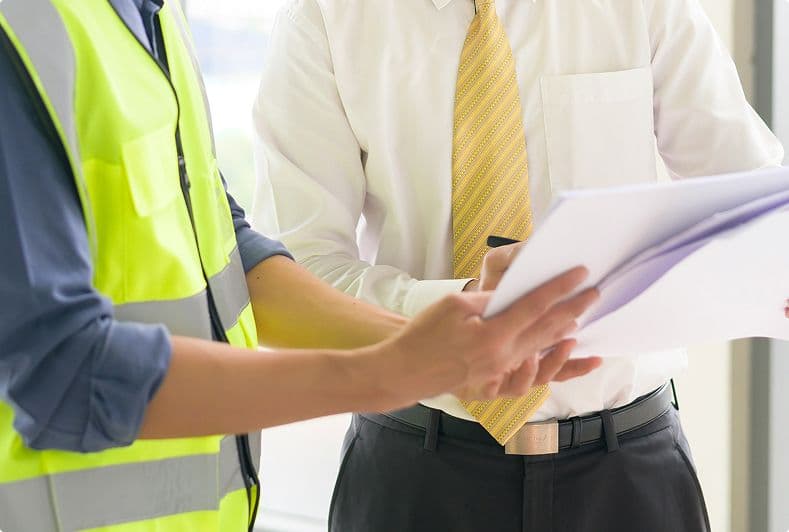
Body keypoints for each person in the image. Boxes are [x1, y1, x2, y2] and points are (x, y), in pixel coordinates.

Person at [0, 1, 604, 531]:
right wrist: (387, 373)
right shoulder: (24, 28)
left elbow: (228, 252)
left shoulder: (149, 16)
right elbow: (60, 370)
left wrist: (444, 351)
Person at [252, 0, 787, 530]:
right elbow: (297, 270)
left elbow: (756, 206)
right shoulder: (325, 16)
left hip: (630, 474)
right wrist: (460, 315)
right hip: (415, 470)